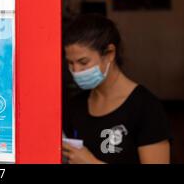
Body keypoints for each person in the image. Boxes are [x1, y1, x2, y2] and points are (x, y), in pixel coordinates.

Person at [62, 14, 172, 164]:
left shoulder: (146, 108)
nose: (76, 70)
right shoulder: (75, 106)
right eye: (70, 63)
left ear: (110, 53)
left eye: (83, 62)